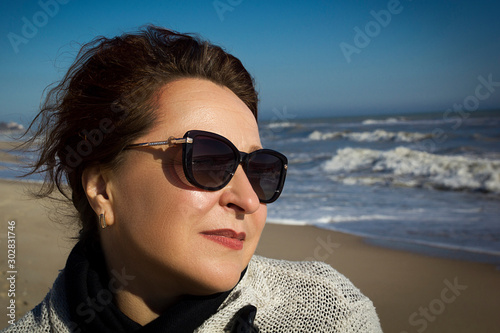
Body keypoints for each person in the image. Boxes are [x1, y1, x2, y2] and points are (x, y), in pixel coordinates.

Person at [3, 26, 382, 332]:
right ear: (102, 189)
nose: (249, 200)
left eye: (259, 169)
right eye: (207, 160)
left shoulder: (328, 315)